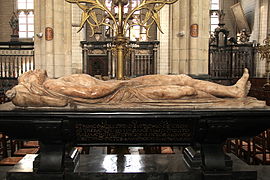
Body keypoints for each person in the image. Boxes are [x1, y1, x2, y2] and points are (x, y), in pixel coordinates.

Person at [5, 68, 250, 107]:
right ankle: (231, 94)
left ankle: (232, 90)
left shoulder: (57, 80)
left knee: (183, 78)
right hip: (124, 93)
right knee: (185, 90)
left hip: (124, 86)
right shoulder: (55, 88)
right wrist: (119, 83)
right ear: (33, 82)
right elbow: (91, 93)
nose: (36, 69)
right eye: (31, 72)